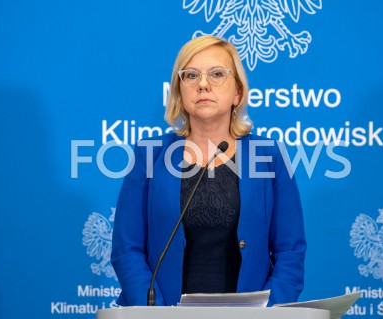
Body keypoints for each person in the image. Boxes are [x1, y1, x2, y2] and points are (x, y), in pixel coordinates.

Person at [111, 35, 306, 307]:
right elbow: (127, 249)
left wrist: (266, 313)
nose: (203, 84)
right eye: (190, 75)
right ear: (179, 91)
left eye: (217, 74)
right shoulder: (149, 155)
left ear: (237, 92)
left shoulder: (269, 156)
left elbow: (290, 251)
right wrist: (152, 312)